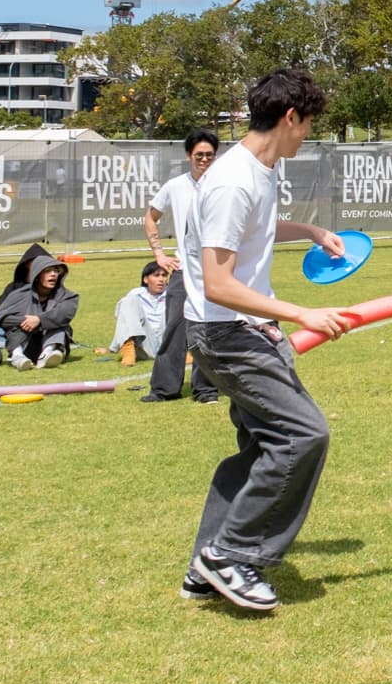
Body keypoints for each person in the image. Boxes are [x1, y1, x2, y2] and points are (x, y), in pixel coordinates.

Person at [180, 68, 351, 612]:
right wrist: (301, 312)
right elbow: (219, 283)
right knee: (304, 435)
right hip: (228, 333)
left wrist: (311, 232)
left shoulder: (257, 171)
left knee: (260, 448)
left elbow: (254, 228)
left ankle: (205, 565)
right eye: (307, 126)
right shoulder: (233, 180)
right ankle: (231, 555)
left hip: (242, 329)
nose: (308, 136)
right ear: (289, 117)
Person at [140, 130, 220, 403]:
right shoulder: (175, 186)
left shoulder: (223, 185)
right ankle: (163, 389)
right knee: (175, 327)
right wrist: (159, 254)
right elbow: (150, 218)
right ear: (189, 156)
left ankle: (206, 389)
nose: (204, 160)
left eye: (209, 155)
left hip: (215, 271)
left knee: (209, 328)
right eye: (199, 155)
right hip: (184, 271)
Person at [0, 252, 79, 371]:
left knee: (60, 325)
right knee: (13, 328)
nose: (53, 274)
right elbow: (1, 318)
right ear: (37, 274)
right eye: (48, 271)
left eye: (56, 271)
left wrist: (39, 320)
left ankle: (48, 354)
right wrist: (26, 321)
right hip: (24, 341)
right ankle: (17, 356)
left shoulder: (68, 296)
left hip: (49, 341)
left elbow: (65, 314)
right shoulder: (19, 294)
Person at [110, 261, 172, 365]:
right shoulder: (136, 294)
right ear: (146, 279)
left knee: (179, 302)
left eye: (164, 275)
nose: (161, 279)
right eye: (156, 275)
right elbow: (123, 319)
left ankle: (186, 351)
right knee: (128, 301)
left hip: (168, 343)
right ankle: (128, 349)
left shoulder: (172, 292)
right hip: (144, 343)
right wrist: (113, 347)